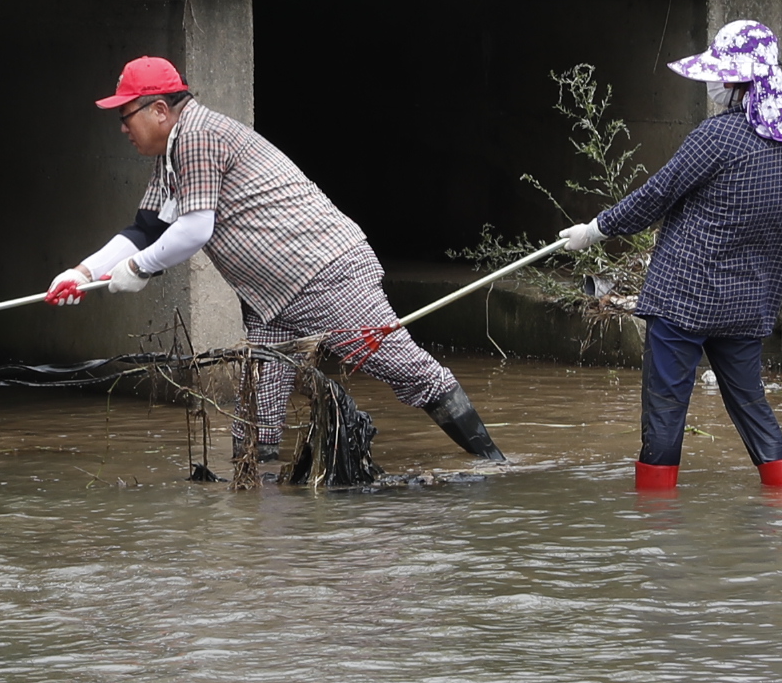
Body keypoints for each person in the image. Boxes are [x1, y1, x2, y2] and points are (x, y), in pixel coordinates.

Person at [52, 58, 508, 475]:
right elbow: (145, 228)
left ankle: (496, 466)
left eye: (124, 115)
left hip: (324, 276)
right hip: (271, 302)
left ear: (158, 110)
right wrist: (83, 273)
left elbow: (194, 230)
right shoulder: (171, 157)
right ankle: (264, 530)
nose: (122, 128)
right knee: (254, 425)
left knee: (407, 369)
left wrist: (140, 269)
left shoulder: (197, 135)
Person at [556, 19, 782, 494]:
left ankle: (655, 525)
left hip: (685, 299)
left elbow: (657, 194)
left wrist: (594, 230)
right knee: (752, 407)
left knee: (665, 414)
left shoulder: (718, 137)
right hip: (745, 305)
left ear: (737, 80)